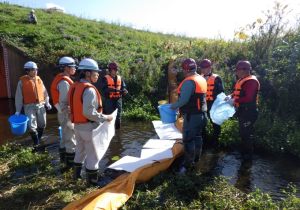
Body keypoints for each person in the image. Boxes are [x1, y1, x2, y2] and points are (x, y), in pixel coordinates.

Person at [69, 58, 113, 185]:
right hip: (88, 128)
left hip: (77, 126)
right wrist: (105, 117)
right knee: (93, 156)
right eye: (95, 72)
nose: (98, 74)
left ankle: (76, 178)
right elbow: (88, 113)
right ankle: (92, 184)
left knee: (80, 151)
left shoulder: (74, 86)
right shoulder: (90, 90)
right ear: (87, 73)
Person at [171, 58, 207, 174]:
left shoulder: (189, 82)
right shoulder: (201, 79)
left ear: (185, 69)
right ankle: (196, 160)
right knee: (197, 137)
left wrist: (173, 106)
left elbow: (184, 101)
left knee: (188, 140)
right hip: (202, 114)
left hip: (192, 117)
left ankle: (187, 166)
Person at [225, 60, 260, 160]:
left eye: (237, 70)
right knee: (243, 132)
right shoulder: (242, 79)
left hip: (249, 111)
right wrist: (230, 96)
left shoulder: (251, 81)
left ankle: (248, 157)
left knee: (246, 134)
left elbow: (249, 98)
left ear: (245, 70)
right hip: (243, 111)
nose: (236, 72)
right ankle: (244, 153)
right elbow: (238, 92)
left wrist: (234, 100)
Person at [15, 61, 52, 148]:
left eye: (36, 70)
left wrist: (47, 102)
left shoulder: (39, 79)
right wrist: (18, 110)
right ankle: (36, 143)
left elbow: (44, 92)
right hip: (29, 106)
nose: (35, 71)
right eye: (33, 70)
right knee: (31, 126)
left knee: (42, 124)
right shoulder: (21, 82)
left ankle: (38, 138)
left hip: (40, 104)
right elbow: (18, 97)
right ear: (27, 71)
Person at [50, 56, 77, 168]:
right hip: (66, 113)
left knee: (64, 138)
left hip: (62, 112)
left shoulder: (61, 78)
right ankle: (71, 167)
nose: (75, 69)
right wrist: (71, 116)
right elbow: (65, 102)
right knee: (70, 139)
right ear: (66, 68)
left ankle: (63, 161)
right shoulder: (64, 83)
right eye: (73, 67)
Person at [199, 59, 224, 148]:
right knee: (202, 123)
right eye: (202, 68)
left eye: (205, 67)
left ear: (210, 68)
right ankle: (204, 141)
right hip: (203, 104)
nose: (203, 69)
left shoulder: (216, 78)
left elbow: (221, 92)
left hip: (213, 104)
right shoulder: (199, 78)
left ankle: (215, 141)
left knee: (215, 123)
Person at [101, 62, 128, 129]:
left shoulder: (120, 78)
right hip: (109, 100)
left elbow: (123, 87)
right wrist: (115, 90)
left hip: (118, 100)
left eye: (117, 69)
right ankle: (109, 133)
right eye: (115, 69)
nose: (116, 71)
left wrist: (124, 91)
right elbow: (104, 90)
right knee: (110, 117)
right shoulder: (105, 78)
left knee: (118, 117)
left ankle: (118, 133)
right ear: (110, 70)